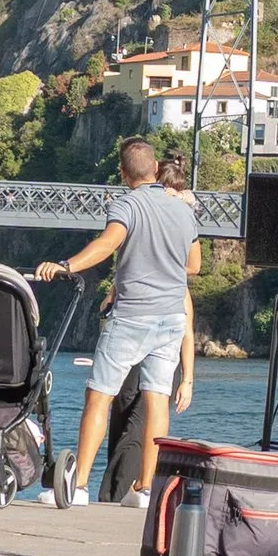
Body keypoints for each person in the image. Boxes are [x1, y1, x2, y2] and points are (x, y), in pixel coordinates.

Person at [37, 140, 198, 505]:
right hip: (172, 317)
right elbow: (195, 264)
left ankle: (77, 487)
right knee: (157, 399)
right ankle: (145, 489)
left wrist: (66, 265)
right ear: (156, 168)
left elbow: (107, 244)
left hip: (132, 316)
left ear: (123, 174)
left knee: (99, 396)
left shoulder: (126, 204)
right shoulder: (184, 210)